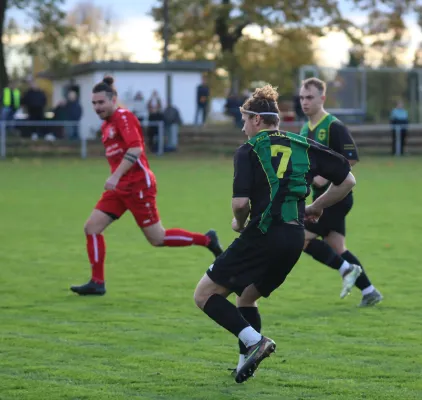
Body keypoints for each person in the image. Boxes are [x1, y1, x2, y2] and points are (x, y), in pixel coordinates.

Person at [193, 84, 356, 383]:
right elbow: (348, 180)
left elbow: (240, 203)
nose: (243, 128)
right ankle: (246, 362)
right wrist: (317, 205)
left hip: (263, 234)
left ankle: (255, 342)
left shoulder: (249, 150)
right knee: (246, 297)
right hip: (295, 238)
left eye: (244, 120)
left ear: (257, 120)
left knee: (203, 295)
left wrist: (238, 222)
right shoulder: (303, 144)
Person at [70, 76, 223, 296]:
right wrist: (116, 179)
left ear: (113, 100)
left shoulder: (124, 117)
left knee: (157, 239)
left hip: (138, 186)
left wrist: (114, 177)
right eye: (94, 103)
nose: (97, 107)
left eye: (101, 102)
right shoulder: (106, 126)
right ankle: (97, 282)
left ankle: (207, 240)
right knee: (91, 228)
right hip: (119, 188)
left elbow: (135, 149)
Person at [299, 77, 382, 306]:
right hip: (321, 198)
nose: (305, 102)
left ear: (322, 99)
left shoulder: (333, 126)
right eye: (302, 98)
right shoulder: (305, 128)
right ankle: (369, 291)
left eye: (310, 97)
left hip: (336, 197)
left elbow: (351, 157)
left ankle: (347, 270)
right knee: (338, 247)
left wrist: (324, 176)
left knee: (300, 239)